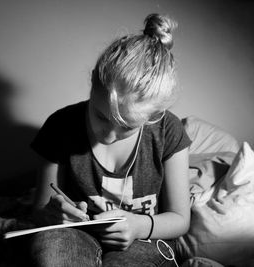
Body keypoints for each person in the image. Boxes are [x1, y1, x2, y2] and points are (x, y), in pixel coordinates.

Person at [29, 13, 191, 267]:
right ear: (93, 81)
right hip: (76, 234)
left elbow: (181, 219)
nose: (108, 135)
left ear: (154, 115)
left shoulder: (168, 129)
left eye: (126, 127)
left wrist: (139, 225)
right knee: (53, 254)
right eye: (102, 117)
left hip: (144, 237)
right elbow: (39, 209)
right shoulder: (60, 125)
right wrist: (51, 213)